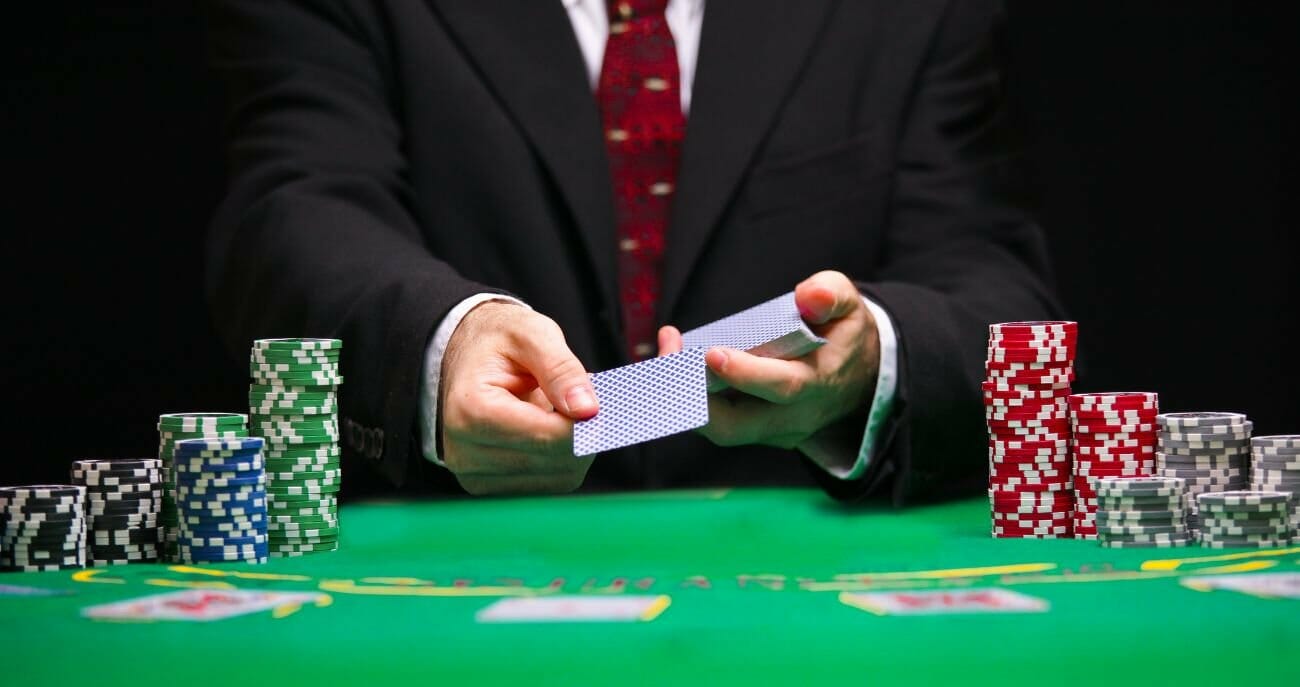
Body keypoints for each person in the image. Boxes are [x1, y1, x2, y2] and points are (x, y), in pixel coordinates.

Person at [204, 0, 1062, 503]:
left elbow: (994, 288)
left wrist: (877, 352)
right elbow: (292, 216)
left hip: (804, 634)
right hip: (441, 622)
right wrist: (442, 341)